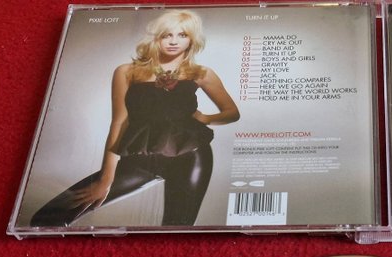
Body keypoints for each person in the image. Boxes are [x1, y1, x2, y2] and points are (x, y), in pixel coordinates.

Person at [31, 10, 239, 227]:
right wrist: (106, 180)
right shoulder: (126, 72)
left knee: (176, 228)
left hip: (191, 157)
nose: (173, 41)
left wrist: (205, 118)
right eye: (167, 35)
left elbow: (231, 112)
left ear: (191, 39)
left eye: (182, 35)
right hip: (141, 158)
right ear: (156, 37)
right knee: (49, 216)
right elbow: (120, 122)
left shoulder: (201, 73)